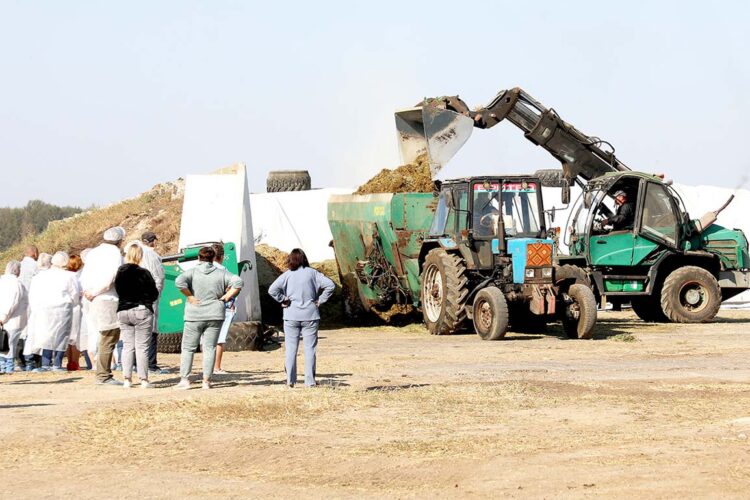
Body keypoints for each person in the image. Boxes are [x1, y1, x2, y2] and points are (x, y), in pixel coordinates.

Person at [174, 246, 243, 390]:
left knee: (188, 348)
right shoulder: (221, 273)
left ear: (199, 258)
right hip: (215, 313)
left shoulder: (192, 272)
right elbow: (238, 282)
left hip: (194, 314)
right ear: (213, 258)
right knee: (210, 347)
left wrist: (190, 296)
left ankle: (185, 379)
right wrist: (226, 297)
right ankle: (206, 381)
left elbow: (179, 282)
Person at [269, 248, 335, 388]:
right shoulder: (313, 273)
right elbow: (330, 285)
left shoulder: (287, 275)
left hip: (291, 315)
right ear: (304, 259)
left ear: (290, 260)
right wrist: (320, 300)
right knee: (310, 349)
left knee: (291, 349)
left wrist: (283, 299)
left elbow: (272, 290)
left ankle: (290, 381)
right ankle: (310, 381)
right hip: (310, 315)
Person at [80, 226, 125, 386]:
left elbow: (84, 275)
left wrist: (88, 291)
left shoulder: (93, 252)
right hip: (106, 297)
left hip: (91, 298)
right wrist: (96, 291)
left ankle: (102, 372)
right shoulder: (114, 253)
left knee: (101, 335)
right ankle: (103, 375)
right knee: (109, 335)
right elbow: (112, 276)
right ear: (119, 240)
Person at [114, 244, 159, 389]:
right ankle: (143, 379)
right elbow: (154, 293)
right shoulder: (144, 273)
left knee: (127, 346)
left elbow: (118, 290)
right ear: (139, 256)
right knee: (142, 347)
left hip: (123, 310)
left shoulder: (120, 272)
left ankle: (127, 378)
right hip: (141, 309)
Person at [30, 252, 81, 372]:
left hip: (44, 307)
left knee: (46, 334)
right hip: (63, 308)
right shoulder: (70, 276)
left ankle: (45, 363)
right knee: (61, 335)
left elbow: (33, 294)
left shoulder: (40, 276)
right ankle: (57, 363)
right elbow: (75, 294)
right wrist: (73, 303)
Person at [126, 231, 165, 375]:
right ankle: (151, 364)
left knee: (134, 332)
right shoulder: (152, 255)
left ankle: (134, 364)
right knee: (150, 330)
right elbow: (159, 278)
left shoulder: (133, 253)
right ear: (153, 241)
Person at [22, 252, 52, 370]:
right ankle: (44, 362)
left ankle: (30, 362)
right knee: (46, 336)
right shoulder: (50, 277)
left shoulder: (36, 278)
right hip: (47, 310)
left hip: (35, 309)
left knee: (32, 336)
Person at [0, 261, 28, 374]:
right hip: (12, 319)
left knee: (4, 344)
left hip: (6, 319)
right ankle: (7, 368)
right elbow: (12, 302)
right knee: (9, 344)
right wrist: (3, 317)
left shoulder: (3, 282)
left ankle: (4, 367)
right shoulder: (16, 283)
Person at [211, 243, 234, 374]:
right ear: (222, 256)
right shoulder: (223, 271)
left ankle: (207, 365)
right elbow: (231, 287)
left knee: (207, 338)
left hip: (205, 306)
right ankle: (217, 367)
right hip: (222, 307)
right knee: (220, 338)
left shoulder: (201, 269)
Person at [66, 255, 87, 370]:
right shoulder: (77, 276)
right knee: (75, 336)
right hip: (76, 307)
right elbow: (77, 294)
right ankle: (74, 362)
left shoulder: (64, 275)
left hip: (66, 308)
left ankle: (69, 361)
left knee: (67, 336)